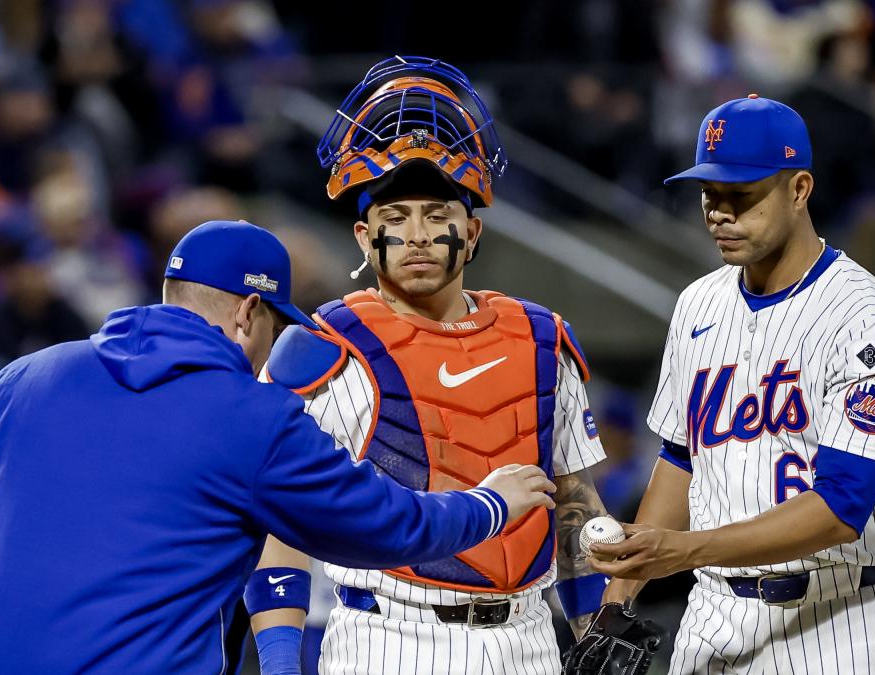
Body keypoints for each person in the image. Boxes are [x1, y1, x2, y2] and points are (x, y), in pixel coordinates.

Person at [0, 219, 556, 674]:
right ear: (249, 312)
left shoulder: (25, 379)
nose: (268, 353)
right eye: (274, 329)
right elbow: (386, 524)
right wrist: (490, 505)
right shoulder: (251, 415)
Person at [254, 56, 612, 674]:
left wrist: (595, 635)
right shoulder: (323, 346)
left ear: (471, 233)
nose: (417, 235)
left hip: (529, 639)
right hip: (389, 638)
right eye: (395, 219)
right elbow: (278, 522)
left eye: (437, 216)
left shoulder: (543, 336)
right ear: (365, 238)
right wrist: (281, 660)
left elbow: (573, 501)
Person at [571, 96, 875, 674]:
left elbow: (841, 507)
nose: (719, 213)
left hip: (841, 619)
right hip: (715, 611)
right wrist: (616, 604)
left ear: (799, 190)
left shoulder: (866, 321)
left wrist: (685, 552)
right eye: (709, 195)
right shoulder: (699, 302)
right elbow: (680, 458)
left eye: (741, 196)